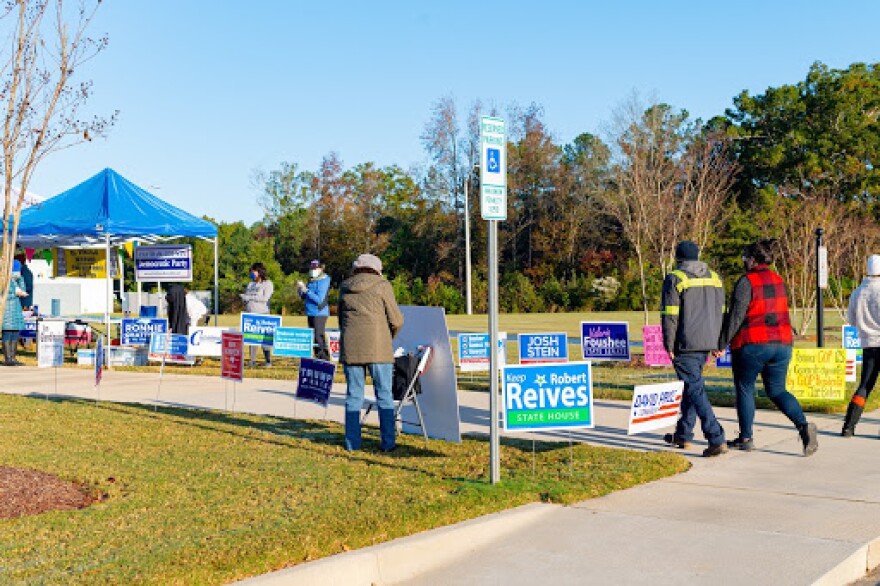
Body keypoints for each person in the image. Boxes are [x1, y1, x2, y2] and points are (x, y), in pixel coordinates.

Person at [717, 239, 818, 456]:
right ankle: (803, 426)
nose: (743, 261)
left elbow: (735, 317)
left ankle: (746, 437)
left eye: (745, 257)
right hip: (782, 344)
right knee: (777, 390)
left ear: (753, 259)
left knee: (745, 388)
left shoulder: (746, 282)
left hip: (752, 344)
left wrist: (721, 343)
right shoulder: (779, 280)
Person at [660, 240, 728, 457]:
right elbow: (722, 313)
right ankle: (683, 434)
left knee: (695, 390)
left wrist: (668, 344)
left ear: (678, 258)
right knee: (691, 387)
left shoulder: (675, 278)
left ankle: (716, 437)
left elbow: (670, 314)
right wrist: (720, 342)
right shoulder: (715, 278)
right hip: (708, 341)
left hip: (685, 343)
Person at [338, 253, 404, 452]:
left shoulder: (344, 286)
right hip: (378, 347)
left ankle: (352, 443)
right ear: (377, 269)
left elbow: (341, 319)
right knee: (384, 395)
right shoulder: (383, 285)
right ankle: (388, 443)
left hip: (351, 346)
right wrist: (387, 336)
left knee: (353, 396)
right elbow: (396, 320)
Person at [841, 254, 880, 436]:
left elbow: (851, 319)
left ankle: (849, 427)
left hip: (868, 344)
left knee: (864, 385)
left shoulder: (857, 292)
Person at [240, 262, 274, 367]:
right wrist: (244, 299)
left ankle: (268, 360)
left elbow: (265, 298)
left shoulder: (267, 283)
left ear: (259, 271)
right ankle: (252, 361)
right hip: (250, 314)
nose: (251, 274)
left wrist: (249, 298)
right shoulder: (250, 284)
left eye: (253, 271)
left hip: (262, 314)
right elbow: (247, 296)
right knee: (251, 338)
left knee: (265, 339)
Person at [298, 260, 331, 361]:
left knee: (318, 336)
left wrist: (306, 291)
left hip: (319, 312)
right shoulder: (312, 280)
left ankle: (324, 358)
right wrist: (300, 289)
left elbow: (319, 300)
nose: (313, 271)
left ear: (321, 269)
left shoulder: (324, 280)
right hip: (310, 312)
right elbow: (304, 296)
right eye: (311, 269)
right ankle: (317, 357)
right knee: (313, 337)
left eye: (315, 268)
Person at [2, 260, 28, 366]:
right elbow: (4, 295)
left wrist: (20, 278)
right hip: (7, 311)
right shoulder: (3, 280)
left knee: (15, 334)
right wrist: (15, 293)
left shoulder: (15, 280)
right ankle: (7, 358)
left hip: (16, 310)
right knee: (7, 334)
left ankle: (13, 357)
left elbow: (23, 290)